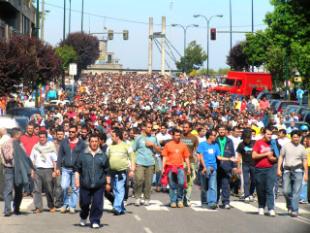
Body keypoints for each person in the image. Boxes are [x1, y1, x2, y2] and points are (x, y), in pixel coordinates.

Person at [75, 134, 110, 229]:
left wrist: (108, 183)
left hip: (99, 184)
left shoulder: (103, 156)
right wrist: (77, 182)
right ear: (89, 142)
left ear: (99, 142)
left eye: (96, 141)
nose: (94, 143)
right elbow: (77, 169)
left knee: (97, 203)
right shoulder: (83, 155)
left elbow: (107, 171)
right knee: (84, 203)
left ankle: (95, 220)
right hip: (85, 184)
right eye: (92, 141)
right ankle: (83, 216)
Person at [0, 128, 33, 216]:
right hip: (9, 169)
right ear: (16, 135)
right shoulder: (7, 144)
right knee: (8, 190)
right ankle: (7, 210)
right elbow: (8, 157)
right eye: (20, 135)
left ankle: (16, 208)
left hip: (19, 169)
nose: (21, 136)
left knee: (19, 190)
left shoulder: (20, 144)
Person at [277, 130, 308, 217]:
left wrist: (306, 173)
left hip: (298, 171)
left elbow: (304, 161)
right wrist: (279, 169)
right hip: (287, 171)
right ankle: (289, 206)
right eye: (294, 137)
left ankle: (294, 210)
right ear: (291, 137)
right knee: (286, 191)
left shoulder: (302, 148)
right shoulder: (286, 146)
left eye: (298, 137)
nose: (296, 139)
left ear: (300, 137)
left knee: (296, 191)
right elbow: (281, 157)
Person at [56, 124, 85, 214]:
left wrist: (81, 169)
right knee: (64, 186)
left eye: (73, 132)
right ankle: (65, 204)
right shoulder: (64, 142)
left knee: (75, 188)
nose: (71, 133)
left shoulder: (81, 143)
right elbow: (60, 155)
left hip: (76, 170)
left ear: (76, 132)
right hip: (65, 168)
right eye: (69, 132)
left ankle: (72, 206)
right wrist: (57, 167)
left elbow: (83, 157)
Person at [106, 128, 135, 215]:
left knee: (119, 189)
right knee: (115, 190)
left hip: (121, 172)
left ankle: (117, 208)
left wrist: (132, 170)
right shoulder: (110, 147)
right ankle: (121, 207)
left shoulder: (126, 146)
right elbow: (106, 159)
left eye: (113, 136)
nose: (111, 138)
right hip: (112, 172)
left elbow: (132, 157)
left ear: (118, 137)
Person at [133, 122, 161, 206]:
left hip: (150, 162)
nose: (150, 129)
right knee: (139, 180)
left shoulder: (154, 138)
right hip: (140, 162)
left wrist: (153, 145)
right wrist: (133, 162)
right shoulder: (138, 138)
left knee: (148, 182)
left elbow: (160, 150)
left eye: (151, 128)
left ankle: (147, 198)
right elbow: (133, 149)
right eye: (148, 127)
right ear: (144, 128)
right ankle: (137, 197)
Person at [161, 129, 190, 208]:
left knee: (181, 183)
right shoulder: (168, 145)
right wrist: (163, 167)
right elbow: (164, 157)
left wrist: (189, 168)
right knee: (172, 185)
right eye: (176, 135)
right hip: (170, 167)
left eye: (179, 135)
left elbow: (186, 157)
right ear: (172, 136)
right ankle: (173, 201)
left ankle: (180, 199)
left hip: (180, 167)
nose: (178, 137)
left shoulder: (183, 145)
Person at [30, 130, 57, 213]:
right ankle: (38, 207)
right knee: (37, 190)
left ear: (46, 138)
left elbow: (54, 160)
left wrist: (55, 171)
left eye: (43, 137)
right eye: (40, 137)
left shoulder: (51, 146)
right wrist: (32, 171)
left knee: (49, 189)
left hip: (48, 170)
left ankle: (51, 206)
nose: (42, 139)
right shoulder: (35, 147)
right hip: (37, 170)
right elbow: (32, 160)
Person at [252, 127, 277, 217]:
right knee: (260, 189)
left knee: (270, 188)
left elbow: (276, 157)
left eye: (271, 134)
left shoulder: (273, 143)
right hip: (259, 169)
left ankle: (271, 208)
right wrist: (266, 154)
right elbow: (254, 156)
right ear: (263, 134)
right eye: (268, 134)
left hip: (270, 168)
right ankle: (261, 206)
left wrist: (273, 159)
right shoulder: (258, 143)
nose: (270, 136)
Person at [197, 130, 220, 209]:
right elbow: (200, 156)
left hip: (213, 168)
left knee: (213, 186)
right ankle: (204, 202)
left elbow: (218, 157)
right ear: (209, 136)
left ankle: (212, 202)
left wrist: (229, 159)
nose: (215, 137)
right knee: (204, 187)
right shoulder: (202, 145)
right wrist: (204, 167)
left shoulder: (216, 145)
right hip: (204, 169)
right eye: (214, 135)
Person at [215, 125, 237, 209]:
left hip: (226, 166)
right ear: (218, 131)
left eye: (223, 129)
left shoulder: (229, 141)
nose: (221, 131)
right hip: (216, 165)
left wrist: (234, 166)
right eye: (220, 129)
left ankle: (226, 202)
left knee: (225, 185)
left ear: (226, 131)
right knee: (216, 184)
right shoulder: (215, 140)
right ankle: (215, 201)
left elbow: (232, 154)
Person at [181, 122, 199, 207]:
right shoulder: (179, 136)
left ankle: (187, 198)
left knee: (190, 181)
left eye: (186, 127)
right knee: (180, 181)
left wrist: (196, 158)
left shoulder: (194, 138)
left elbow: (197, 150)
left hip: (191, 161)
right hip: (180, 161)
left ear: (190, 128)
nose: (184, 128)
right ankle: (180, 198)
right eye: (183, 127)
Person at [20, 122, 39, 197]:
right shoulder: (22, 137)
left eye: (31, 128)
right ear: (26, 129)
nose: (30, 130)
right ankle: (26, 191)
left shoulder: (37, 137)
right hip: (24, 159)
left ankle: (32, 191)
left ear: (33, 129)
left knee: (32, 176)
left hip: (34, 159)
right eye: (28, 128)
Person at [236, 129, 256, 203]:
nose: (247, 139)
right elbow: (239, 156)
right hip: (245, 164)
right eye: (246, 138)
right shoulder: (241, 145)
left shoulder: (255, 143)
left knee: (254, 180)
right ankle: (246, 195)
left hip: (254, 164)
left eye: (249, 138)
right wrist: (238, 167)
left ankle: (251, 193)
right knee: (246, 180)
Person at [53, 127, 65, 209]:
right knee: (57, 185)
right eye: (58, 134)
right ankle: (57, 201)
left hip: (66, 166)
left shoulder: (67, 143)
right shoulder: (52, 144)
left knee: (64, 186)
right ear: (56, 135)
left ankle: (64, 201)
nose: (60, 136)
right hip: (56, 166)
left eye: (61, 134)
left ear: (64, 135)